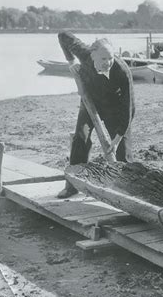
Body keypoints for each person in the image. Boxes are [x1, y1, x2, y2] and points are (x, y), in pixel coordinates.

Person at [56, 32, 136, 199]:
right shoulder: (84, 53)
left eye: (110, 58)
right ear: (92, 55)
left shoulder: (122, 71)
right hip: (90, 101)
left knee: (123, 150)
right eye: (103, 59)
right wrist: (71, 62)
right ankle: (72, 185)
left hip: (114, 106)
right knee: (80, 138)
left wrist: (117, 138)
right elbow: (62, 35)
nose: (107, 63)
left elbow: (128, 108)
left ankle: (127, 190)